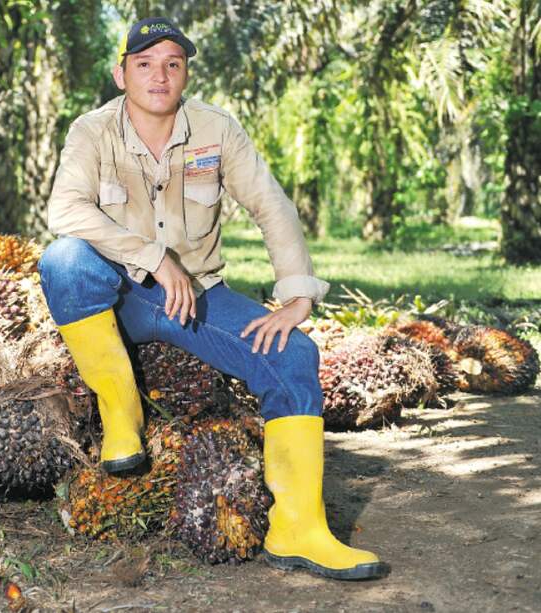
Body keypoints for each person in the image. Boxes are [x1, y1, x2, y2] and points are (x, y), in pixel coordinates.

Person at [37, 16, 388, 581]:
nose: (159, 75)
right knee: (63, 259)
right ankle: (121, 415)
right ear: (120, 73)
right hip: (119, 293)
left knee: (294, 356)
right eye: (144, 64)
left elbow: (270, 205)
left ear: (185, 73)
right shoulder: (92, 131)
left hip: (198, 297)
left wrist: (297, 293)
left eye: (172, 64)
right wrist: (153, 257)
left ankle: (299, 529)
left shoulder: (216, 129)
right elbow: (65, 211)